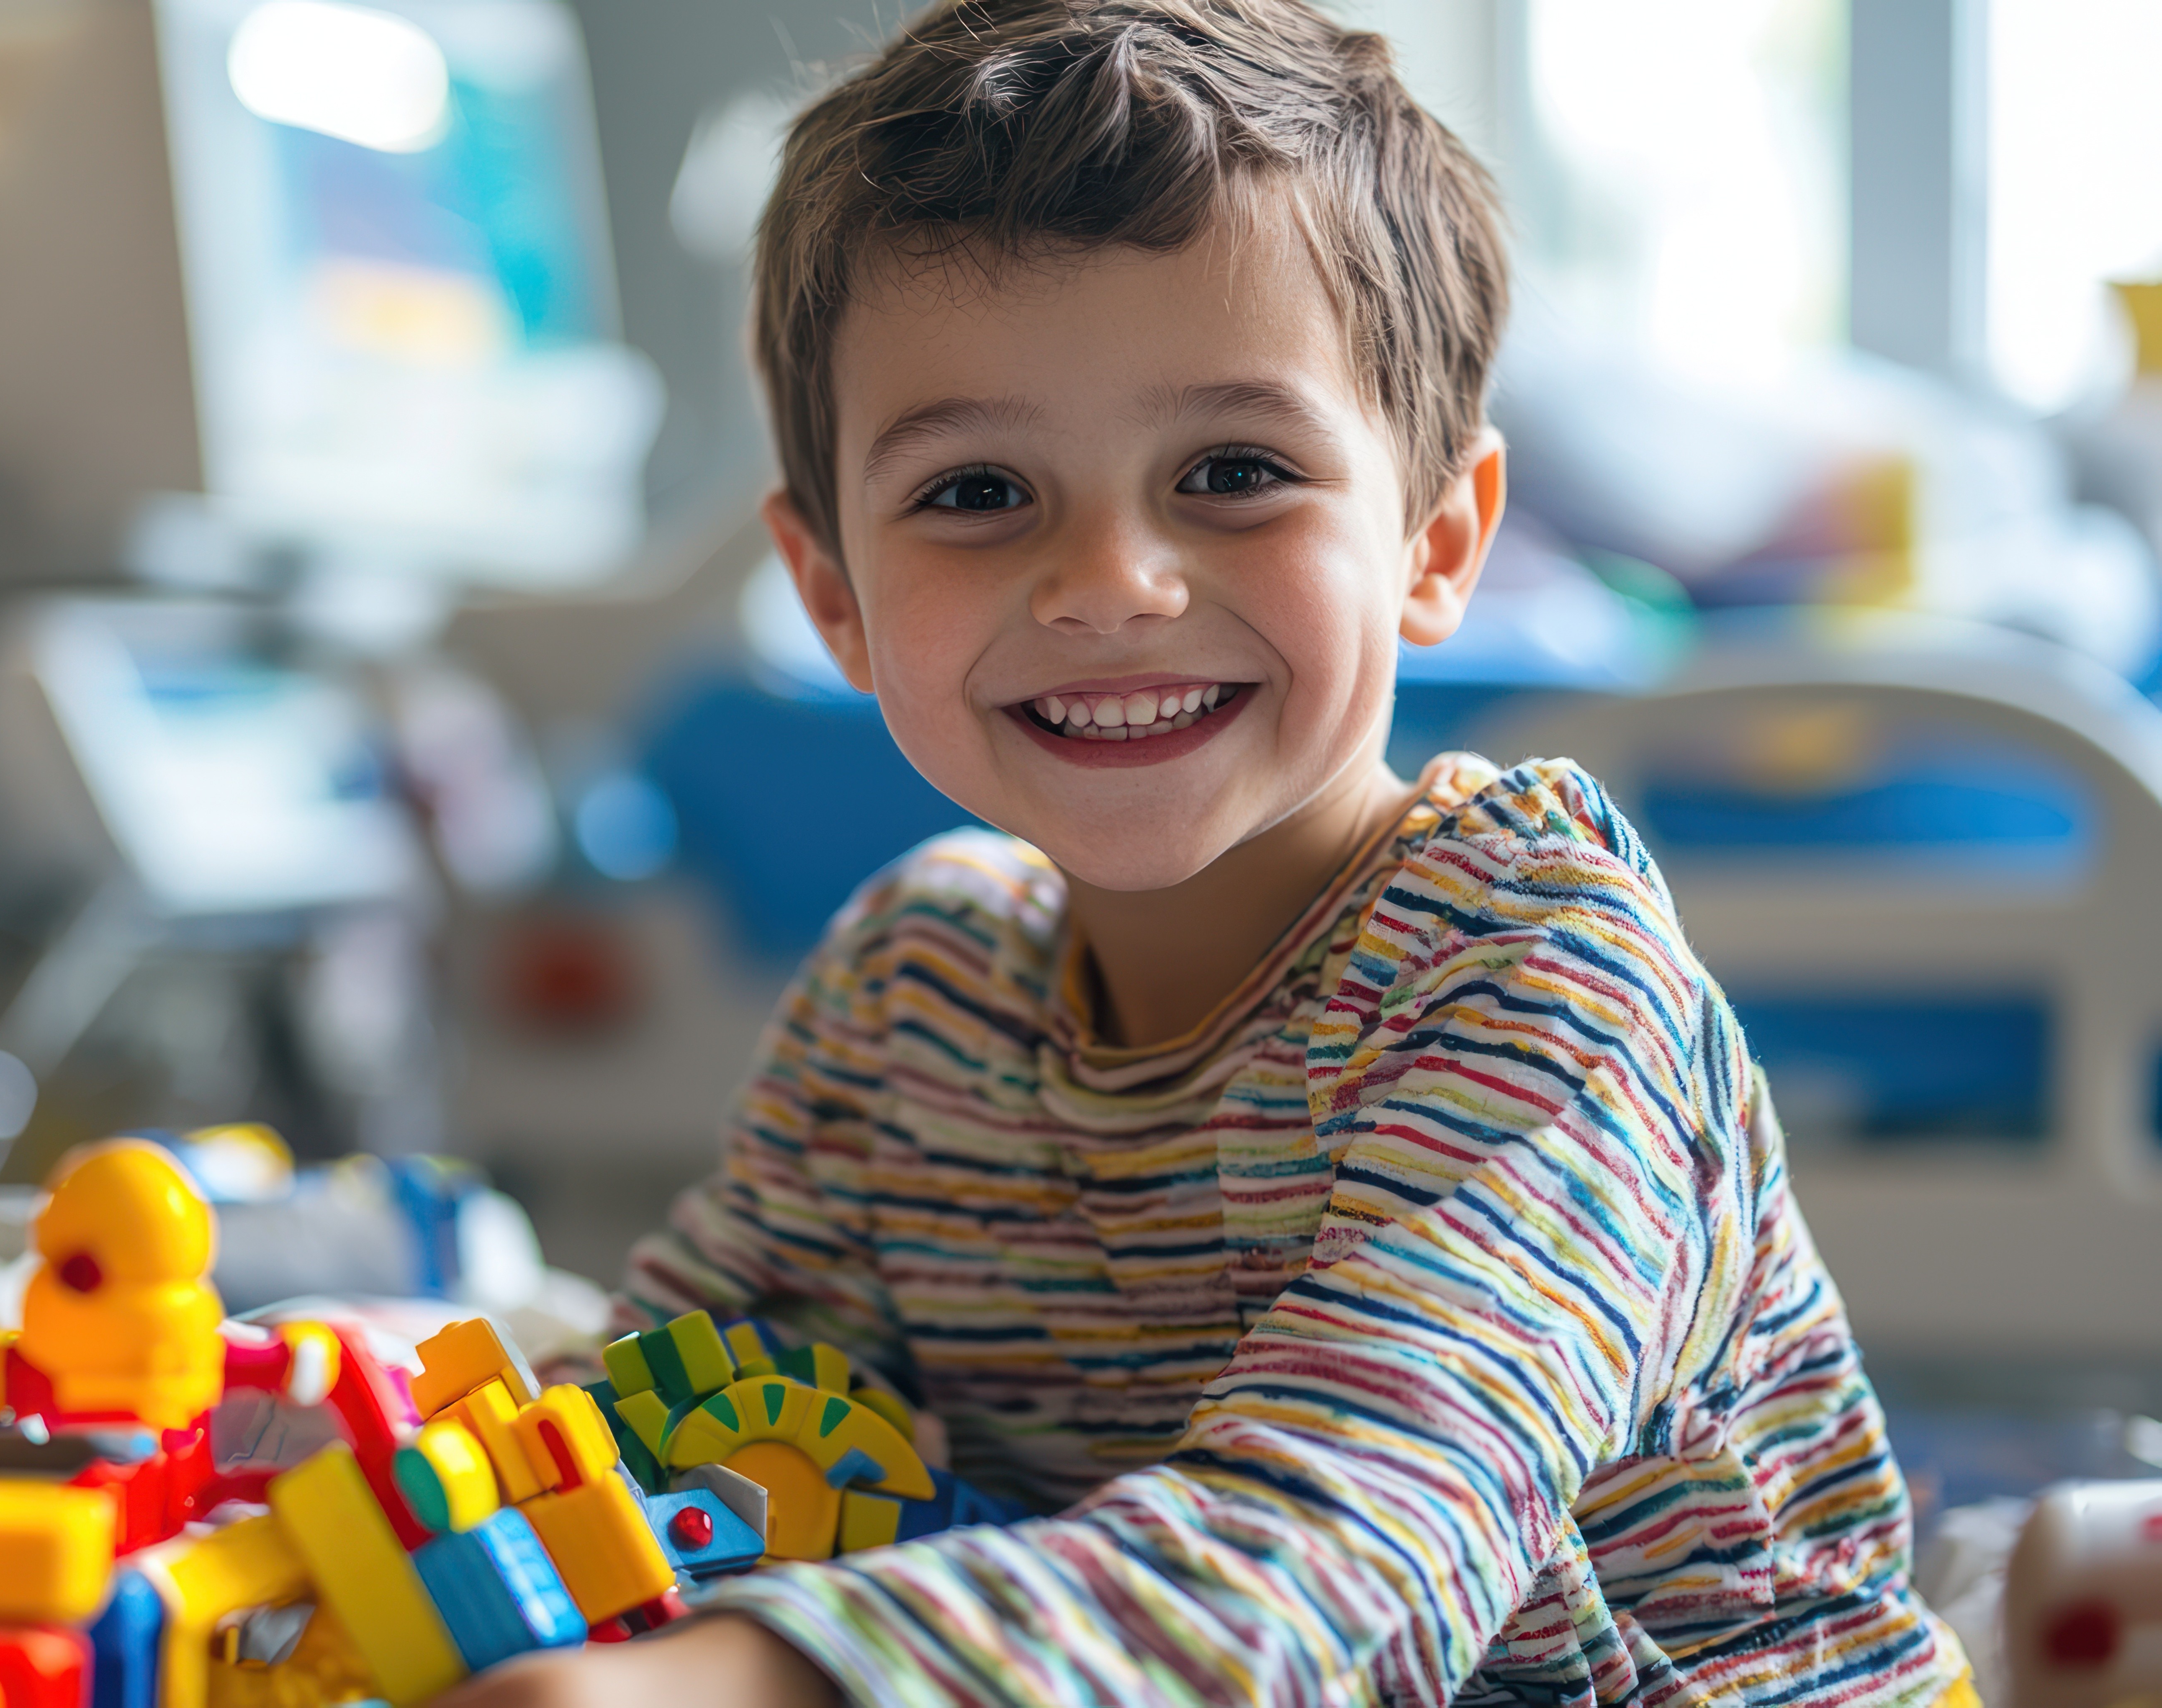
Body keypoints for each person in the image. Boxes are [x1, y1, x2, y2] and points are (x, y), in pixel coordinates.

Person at [445, 0, 1974, 1703]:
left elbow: (1334, 1549)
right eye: (973, 493)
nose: (1109, 582)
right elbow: (677, 1410)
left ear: (1432, 541)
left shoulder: (1539, 977)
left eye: (1230, 471)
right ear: (831, 599)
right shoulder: (904, 996)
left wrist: (749, 1681)